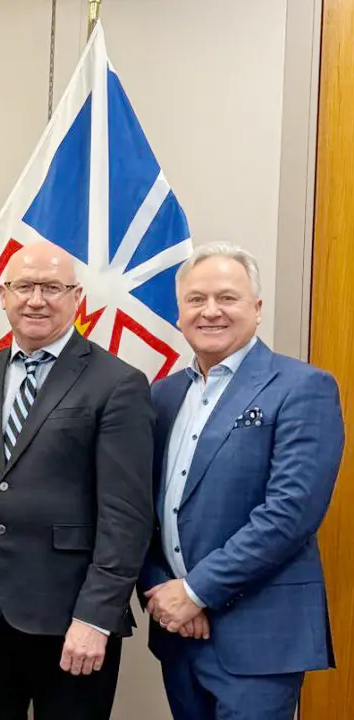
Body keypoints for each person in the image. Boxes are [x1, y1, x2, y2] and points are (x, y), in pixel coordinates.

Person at [0, 240, 154, 720]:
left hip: (71, 621)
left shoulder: (117, 383)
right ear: (3, 295)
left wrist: (95, 617)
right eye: (23, 286)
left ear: (77, 297)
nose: (36, 299)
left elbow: (127, 516)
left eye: (52, 287)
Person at [139, 243, 343, 720]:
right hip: (179, 634)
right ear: (179, 313)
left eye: (227, 298)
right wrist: (164, 589)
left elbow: (291, 514)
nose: (210, 311)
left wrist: (195, 592)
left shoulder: (302, 387)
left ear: (256, 308)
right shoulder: (162, 395)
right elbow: (138, 506)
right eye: (196, 299)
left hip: (258, 639)